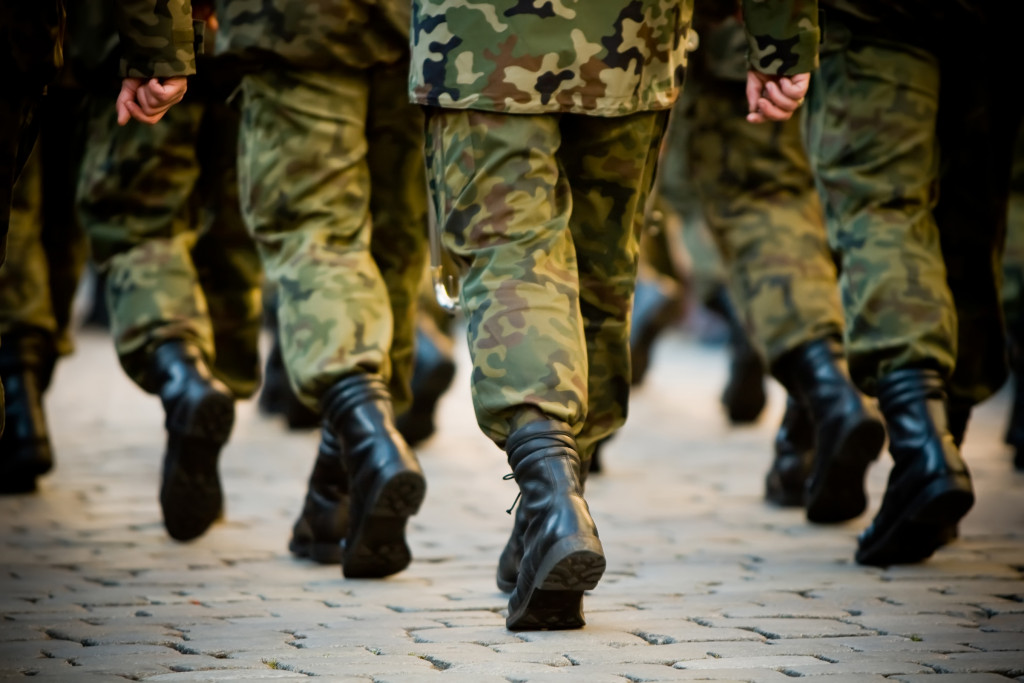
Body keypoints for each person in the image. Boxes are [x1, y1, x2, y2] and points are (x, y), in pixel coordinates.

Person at [410, 0, 818, 630]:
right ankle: (554, 510)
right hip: (632, 33)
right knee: (599, 274)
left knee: (509, 249)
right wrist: (779, 40)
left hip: (477, 35)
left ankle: (551, 502)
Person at [216, 0, 430, 575]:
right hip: (419, 24)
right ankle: (333, 500)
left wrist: (158, 42)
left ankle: (370, 438)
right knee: (392, 249)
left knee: (316, 233)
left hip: (293, 22)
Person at [803, 1, 1021, 565]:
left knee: (881, 207)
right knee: (972, 222)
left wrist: (776, 37)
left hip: (876, 16)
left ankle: (924, 451)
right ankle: (947, 444)